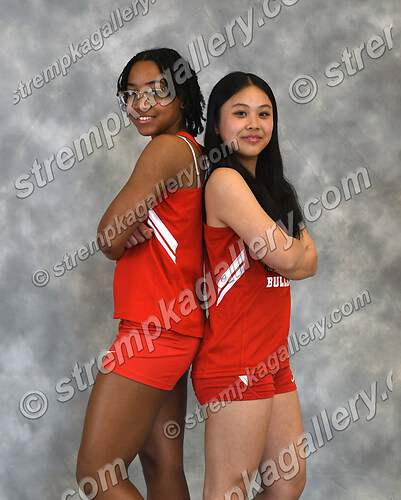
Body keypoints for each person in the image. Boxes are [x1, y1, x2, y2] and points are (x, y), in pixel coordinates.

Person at [76, 47, 206, 499]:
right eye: (131, 94)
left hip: (153, 330)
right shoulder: (195, 153)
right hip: (177, 326)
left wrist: (121, 233)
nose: (141, 104)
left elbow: (109, 237)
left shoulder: (166, 149)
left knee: (97, 474)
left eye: (156, 90)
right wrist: (126, 230)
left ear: (183, 97)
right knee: (161, 466)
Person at [191, 72, 318, 500]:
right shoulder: (225, 181)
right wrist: (290, 249)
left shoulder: (274, 188)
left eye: (264, 114)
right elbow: (290, 258)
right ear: (217, 123)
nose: (254, 124)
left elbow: (310, 262)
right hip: (237, 359)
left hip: (273, 357)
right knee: (228, 489)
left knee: (286, 484)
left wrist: (289, 251)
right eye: (240, 113)